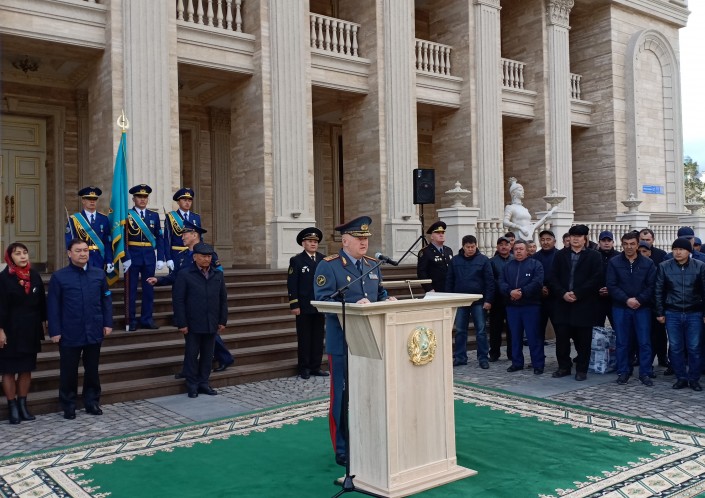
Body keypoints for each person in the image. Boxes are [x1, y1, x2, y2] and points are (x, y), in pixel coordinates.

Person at [313, 216, 396, 467]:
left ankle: (367, 440)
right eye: (359, 238)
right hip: (342, 342)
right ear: (345, 241)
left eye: (366, 238)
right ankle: (342, 448)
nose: (364, 242)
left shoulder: (372, 265)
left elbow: (379, 293)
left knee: (369, 392)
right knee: (341, 396)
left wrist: (387, 299)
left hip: (371, 342)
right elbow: (322, 301)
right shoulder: (329, 266)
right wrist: (352, 304)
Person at [147, 221, 234, 376]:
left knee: (208, 335)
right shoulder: (182, 256)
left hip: (205, 302)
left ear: (194, 235)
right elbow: (175, 276)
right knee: (192, 342)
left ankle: (223, 358)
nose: (182, 237)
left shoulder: (208, 253)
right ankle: (191, 369)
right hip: (189, 302)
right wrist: (158, 280)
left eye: (185, 234)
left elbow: (217, 277)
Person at [47, 239, 113, 419]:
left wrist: (107, 323)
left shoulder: (99, 274)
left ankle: (92, 401)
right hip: (70, 331)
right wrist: (55, 331)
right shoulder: (59, 277)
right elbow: (53, 306)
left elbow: (106, 299)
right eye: (78, 250)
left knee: (92, 369)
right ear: (69, 253)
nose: (83, 254)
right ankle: (68, 404)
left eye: (85, 250)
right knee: (68, 370)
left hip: (94, 329)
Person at [173, 242, 228, 398]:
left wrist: (222, 320)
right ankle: (192, 384)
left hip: (211, 321)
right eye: (203, 256)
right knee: (191, 354)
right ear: (195, 257)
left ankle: (204, 382)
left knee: (207, 355)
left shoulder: (217, 274)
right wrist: (182, 323)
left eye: (209, 256)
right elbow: (178, 300)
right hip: (192, 323)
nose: (207, 259)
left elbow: (223, 299)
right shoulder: (185, 274)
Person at [0, 243, 46, 424]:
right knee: (9, 370)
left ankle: (22, 404)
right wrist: (0, 330)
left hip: (30, 329)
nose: (22, 256)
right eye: (17, 253)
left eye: (25, 253)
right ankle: (12, 406)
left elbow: (41, 301)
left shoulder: (34, 275)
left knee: (26, 369)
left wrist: (44, 321)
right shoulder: (3, 279)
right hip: (9, 330)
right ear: (10, 257)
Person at [549, 224, 602, 381]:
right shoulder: (560, 255)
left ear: (585, 238)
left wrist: (578, 293)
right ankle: (564, 367)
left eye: (579, 236)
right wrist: (563, 293)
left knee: (583, 340)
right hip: (563, 303)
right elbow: (553, 277)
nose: (575, 239)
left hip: (584, 304)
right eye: (573, 236)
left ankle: (581, 369)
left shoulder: (594, 256)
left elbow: (596, 278)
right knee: (562, 339)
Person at [606, 232, 657, 386]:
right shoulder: (614, 262)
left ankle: (645, 373)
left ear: (637, 245)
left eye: (632, 244)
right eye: (626, 244)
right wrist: (626, 300)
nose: (629, 247)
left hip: (642, 308)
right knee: (622, 342)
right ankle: (623, 371)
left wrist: (639, 299)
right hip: (621, 307)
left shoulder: (648, 263)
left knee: (644, 342)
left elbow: (652, 286)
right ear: (622, 244)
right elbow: (611, 285)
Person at [655, 237, 705, 391]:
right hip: (672, 312)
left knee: (694, 347)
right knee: (676, 347)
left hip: (694, 313)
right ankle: (681, 377)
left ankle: (694, 379)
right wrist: (660, 312)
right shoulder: (664, 266)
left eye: (681, 249)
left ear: (689, 251)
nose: (678, 252)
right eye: (675, 249)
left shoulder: (700, 266)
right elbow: (658, 291)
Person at [446, 234, 494, 369]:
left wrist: (488, 300)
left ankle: (483, 358)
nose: (471, 249)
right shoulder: (455, 261)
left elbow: (490, 282)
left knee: (481, 330)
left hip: (479, 301)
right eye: (468, 247)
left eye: (473, 246)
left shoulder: (484, 260)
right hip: (460, 300)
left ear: (476, 246)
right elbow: (450, 280)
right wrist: (449, 299)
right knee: (460, 330)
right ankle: (460, 357)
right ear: (463, 247)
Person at [287, 227, 328, 379]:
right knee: (304, 338)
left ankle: (316, 366)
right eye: (310, 241)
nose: (313, 244)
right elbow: (292, 284)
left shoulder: (323, 259)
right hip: (303, 306)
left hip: (319, 304)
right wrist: (294, 304)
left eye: (315, 242)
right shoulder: (297, 260)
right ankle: (304, 367)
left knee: (318, 337)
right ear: (303, 243)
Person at [500, 240, 545, 374]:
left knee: (533, 336)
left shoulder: (535, 264)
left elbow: (537, 282)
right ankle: (517, 363)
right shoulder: (507, 266)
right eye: (516, 249)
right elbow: (501, 282)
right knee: (515, 336)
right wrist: (510, 292)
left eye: (521, 249)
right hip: (512, 306)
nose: (518, 251)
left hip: (530, 306)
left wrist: (522, 292)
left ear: (527, 250)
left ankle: (538, 364)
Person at [125, 184, 165, 331]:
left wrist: (160, 257)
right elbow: (123, 237)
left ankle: (147, 319)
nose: (142, 199)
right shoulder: (127, 215)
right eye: (139, 197)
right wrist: (125, 257)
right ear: (133, 199)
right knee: (131, 290)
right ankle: (131, 320)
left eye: (145, 197)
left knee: (148, 289)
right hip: (132, 256)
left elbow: (159, 238)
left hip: (149, 256)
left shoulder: (153, 215)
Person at [65, 187, 113, 272]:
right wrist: (72, 260)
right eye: (89, 199)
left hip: (99, 258)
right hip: (81, 257)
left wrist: (109, 260)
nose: (92, 201)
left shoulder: (104, 219)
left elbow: (107, 242)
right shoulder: (74, 219)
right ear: (83, 201)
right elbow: (70, 242)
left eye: (94, 199)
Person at [164, 188, 202, 271]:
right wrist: (168, 258)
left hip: (193, 255)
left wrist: (201, 254)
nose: (187, 203)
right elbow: (167, 239)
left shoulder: (196, 217)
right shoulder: (170, 217)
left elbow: (200, 238)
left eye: (189, 200)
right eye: (184, 200)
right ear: (178, 202)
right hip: (176, 255)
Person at [489, 236, 513, 362]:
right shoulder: (492, 261)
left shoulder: (515, 259)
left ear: (510, 246)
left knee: (512, 328)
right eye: (501, 245)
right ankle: (494, 353)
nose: (503, 247)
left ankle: (512, 353)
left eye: (506, 244)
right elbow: (491, 280)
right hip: (497, 300)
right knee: (495, 328)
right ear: (497, 247)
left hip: (512, 300)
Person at [533, 229, 559, 344]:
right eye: (543, 240)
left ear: (554, 241)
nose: (545, 242)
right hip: (539, 299)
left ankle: (562, 355)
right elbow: (532, 277)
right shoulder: (535, 258)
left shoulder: (561, 256)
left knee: (560, 331)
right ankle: (538, 355)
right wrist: (540, 288)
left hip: (557, 298)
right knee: (538, 331)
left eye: (548, 239)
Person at [417, 221, 453, 293]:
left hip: (449, 288)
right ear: (432, 236)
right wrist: (429, 289)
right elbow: (421, 272)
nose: (441, 235)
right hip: (435, 289)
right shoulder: (425, 252)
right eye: (438, 233)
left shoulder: (448, 250)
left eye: (442, 233)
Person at [595, 230, 619, 327]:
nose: (606, 243)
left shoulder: (619, 257)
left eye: (609, 240)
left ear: (613, 242)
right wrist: (597, 289)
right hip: (597, 299)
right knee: (597, 329)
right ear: (599, 242)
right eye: (603, 240)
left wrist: (611, 289)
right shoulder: (593, 256)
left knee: (618, 327)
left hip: (615, 299)